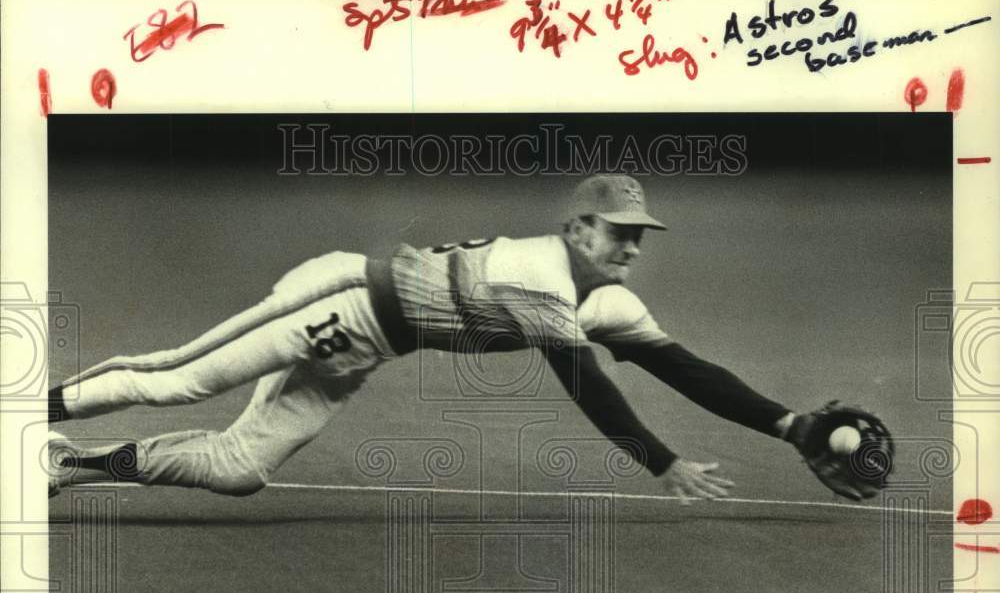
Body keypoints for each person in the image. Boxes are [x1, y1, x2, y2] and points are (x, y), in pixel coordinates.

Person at [47, 174, 802, 502]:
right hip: (344, 294)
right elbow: (587, 383)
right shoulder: (540, 271)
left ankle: (65, 463)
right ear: (577, 227)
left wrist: (792, 426)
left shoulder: (603, 303)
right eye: (619, 233)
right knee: (179, 377)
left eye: (641, 236)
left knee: (242, 468)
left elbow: (689, 370)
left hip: (366, 345)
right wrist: (660, 460)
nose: (633, 248)